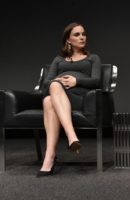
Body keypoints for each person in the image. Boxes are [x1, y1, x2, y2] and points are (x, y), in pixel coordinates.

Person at [37, 22, 101, 177]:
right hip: (58, 98)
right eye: (77, 34)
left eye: (83, 34)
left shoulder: (93, 58)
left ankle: (64, 143)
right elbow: (46, 82)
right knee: (48, 98)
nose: (82, 37)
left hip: (79, 98)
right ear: (68, 40)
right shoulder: (58, 60)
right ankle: (51, 155)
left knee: (50, 96)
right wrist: (59, 82)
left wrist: (76, 81)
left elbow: (97, 80)